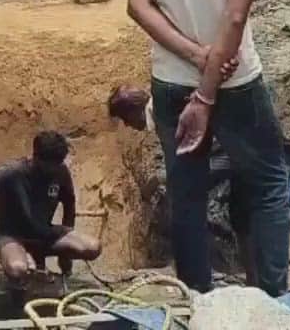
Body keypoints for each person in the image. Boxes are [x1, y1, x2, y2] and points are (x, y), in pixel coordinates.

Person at [126, 0, 290, 297]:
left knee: (188, 193)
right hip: (233, 83)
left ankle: (194, 298)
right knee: (269, 184)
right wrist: (209, 83)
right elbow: (235, 16)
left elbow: (139, 6)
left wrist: (195, 57)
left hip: (170, 79)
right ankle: (275, 298)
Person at [107, 85, 256, 283]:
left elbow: (190, 158)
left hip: (226, 155)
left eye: (125, 119)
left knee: (183, 198)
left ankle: (197, 273)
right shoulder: (161, 112)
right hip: (236, 153)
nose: (127, 125)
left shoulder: (163, 114)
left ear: (134, 111)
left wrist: (160, 179)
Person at [0, 132, 101, 281]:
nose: (55, 169)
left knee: (92, 247)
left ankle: (40, 260)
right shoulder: (13, 172)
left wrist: (65, 256)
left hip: (44, 234)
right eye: (51, 165)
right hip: (12, 236)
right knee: (18, 269)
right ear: (37, 158)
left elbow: (69, 204)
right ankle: (19, 283)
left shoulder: (61, 171)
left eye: (59, 163)